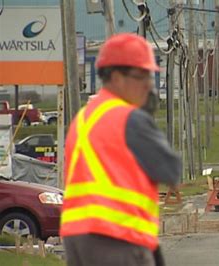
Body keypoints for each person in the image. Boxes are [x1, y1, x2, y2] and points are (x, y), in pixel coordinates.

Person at [60, 33, 181, 266]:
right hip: (116, 237)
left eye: (150, 76)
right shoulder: (129, 118)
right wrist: (146, 115)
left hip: (77, 237)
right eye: (142, 75)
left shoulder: (84, 118)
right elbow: (170, 170)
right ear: (116, 76)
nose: (149, 84)